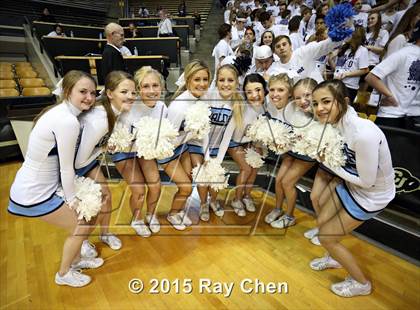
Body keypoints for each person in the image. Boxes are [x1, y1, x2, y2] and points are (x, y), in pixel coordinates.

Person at [8, 70, 99, 287]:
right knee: (80, 226)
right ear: (68, 91)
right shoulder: (67, 121)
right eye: (83, 92)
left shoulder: (60, 112)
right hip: (33, 193)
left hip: (38, 186)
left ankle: (75, 261)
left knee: (81, 223)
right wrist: (72, 199)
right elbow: (67, 169)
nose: (89, 97)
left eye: (93, 93)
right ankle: (64, 273)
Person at [310, 79, 395, 298]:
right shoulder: (335, 124)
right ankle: (333, 258)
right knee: (321, 220)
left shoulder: (364, 134)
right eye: (315, 103)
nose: (319, 108)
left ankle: (361, 283)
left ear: (344, 101)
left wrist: (328, 164)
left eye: (326, 101)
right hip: (351, 184)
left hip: (371, 196)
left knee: (327, 237)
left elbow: (367, 182)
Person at [75, 71, 135, 255]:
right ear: (109, 93)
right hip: (73, 165)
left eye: (133, 93)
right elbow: (79, 162)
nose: (130, 97)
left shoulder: (113, 112)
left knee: (106, 196)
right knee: (89, 203)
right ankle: (82, 242)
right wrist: (104, 148)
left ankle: (105, 234)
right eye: (124, 92)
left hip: (86, 160)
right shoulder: (100, 119)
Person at [112, 67, 167, 237]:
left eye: (155, 86)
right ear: (138, 89)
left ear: (161, 87)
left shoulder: (163, 108)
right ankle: (136, 219)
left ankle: (151, 215)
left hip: (144, 151)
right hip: (124, 151)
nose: (151, 91)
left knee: (156, 185)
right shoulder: (128, 105)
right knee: (139, 190)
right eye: (145, 86)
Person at [158, 60, 211, 230]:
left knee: (188, 182)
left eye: (205, 79)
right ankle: (173, 214)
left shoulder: (200, 99)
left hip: (183, 146)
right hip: (167, 151)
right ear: (188, 80)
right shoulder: (178, 107)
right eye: (197, 79)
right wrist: (191, 131)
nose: (202, 84)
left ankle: (178, 210)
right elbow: (168, 139)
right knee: (186, 187)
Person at [270, 78, 319, 229]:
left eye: (307, 96)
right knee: (278, 180)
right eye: (298, 97)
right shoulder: (294, 108)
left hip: (307, 154)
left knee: (287, 182)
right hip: (293, 151)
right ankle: (278, 209)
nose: (302, 101)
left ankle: (290, 216)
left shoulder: (321, 112)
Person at [197, 64, 244, 221]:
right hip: (200, 145)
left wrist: (218, 160)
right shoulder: (208, 96)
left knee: (217, 176)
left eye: (230, 80)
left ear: (237, 83)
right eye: (221, 80)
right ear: (216, 82)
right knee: (203, 178)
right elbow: (202, 129)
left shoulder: (236, 103)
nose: (226, 84)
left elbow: (227, 136)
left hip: (218, 147)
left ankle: (213, 201)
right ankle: (203, 203)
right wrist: (207, 156)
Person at [366, 20, 420, 131]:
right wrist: (390, 96)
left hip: (413, 117)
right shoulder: (405, 53)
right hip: (391, 116)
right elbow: (371, 77)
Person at [228, 74, 267, 216]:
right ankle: (236, 199)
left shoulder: (265, 106)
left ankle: (247, 196)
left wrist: (257, 144)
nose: (254, 95)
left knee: (255, 166)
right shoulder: (244, 110)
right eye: (249, 92)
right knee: (246, 168)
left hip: (250, 141)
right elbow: (237, 138)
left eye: (258, 90)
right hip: (234, 142)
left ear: (264, 89)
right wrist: (255, 141)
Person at [330, 27, 369, 103]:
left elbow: (365, 70)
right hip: (336, 83)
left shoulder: (362, 50)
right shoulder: (344, 48)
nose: (344, 36)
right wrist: (330, 59)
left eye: (347, 34)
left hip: (349, 87)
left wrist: (346, 74)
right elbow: (337, 69)